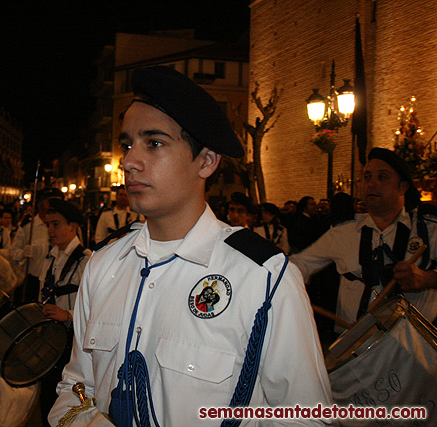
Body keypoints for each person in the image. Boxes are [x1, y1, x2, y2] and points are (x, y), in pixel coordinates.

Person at [49, 66, 331, 426]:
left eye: (154, 143)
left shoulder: (263, 278)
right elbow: (75, 388)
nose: (129, 161)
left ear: (206, 161)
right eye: (127, 145)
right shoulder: (104, 266)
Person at [291, 147, 437, 331]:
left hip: (413, 354)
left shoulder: (430, 230)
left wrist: (428, 279)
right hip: (356, 351)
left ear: (403, 187)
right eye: (367, 177)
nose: (371, 184)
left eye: (382, 177)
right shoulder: (343, 233)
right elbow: (299, 265)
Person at [37, 198, 92, 425]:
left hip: (73, 342)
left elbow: (95, 307)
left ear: (73, 227)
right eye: (48, 225)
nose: (50, 230)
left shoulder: (87, 259)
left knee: (66, 400)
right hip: (50, 337)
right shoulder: (51, 258)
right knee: (46, 397)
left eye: (56, 224)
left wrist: (67, 314)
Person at [10, 188, 63, 303]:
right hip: (32, 282)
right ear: (43, 204)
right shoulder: (28, 227)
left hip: (57, 282)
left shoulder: (63, 226)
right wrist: (23, 253)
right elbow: (13, 253)